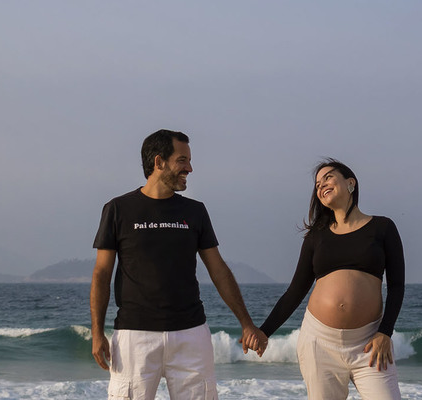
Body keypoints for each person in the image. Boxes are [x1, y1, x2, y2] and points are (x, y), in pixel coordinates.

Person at [90, 129, 266, 400]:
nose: (190, 168)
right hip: (134, 336)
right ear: (159, 162)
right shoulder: (118, 209)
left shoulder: (195, 211)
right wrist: (97, 332)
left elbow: (218, 269)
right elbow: (102, 273)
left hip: (191, 334)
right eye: (182, 160)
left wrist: (246, 323)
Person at [254, 159, 405, 400]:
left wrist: (385, 332)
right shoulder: (316, 236)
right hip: (319, 342)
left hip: (369, 342)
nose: (321, 185)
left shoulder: (382, 227)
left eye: (328, 177)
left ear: (351, 183)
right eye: (317, 184)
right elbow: (296, 290)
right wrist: (264, 332)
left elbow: (396, 286)